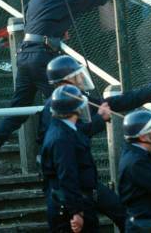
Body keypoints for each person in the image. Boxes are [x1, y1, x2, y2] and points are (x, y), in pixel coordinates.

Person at [0, 0, 111, 177]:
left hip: (26, 54)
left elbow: (33, 16)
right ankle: (47, 159)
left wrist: (56, 30)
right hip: (42, 56)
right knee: (63, 107)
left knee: (18, 111)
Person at [41, 85, 101, 232]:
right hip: (70, 208)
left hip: (73, 202)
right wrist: (76, 212)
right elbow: (67, 175)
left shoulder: (63, 129)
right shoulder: (62, 138)